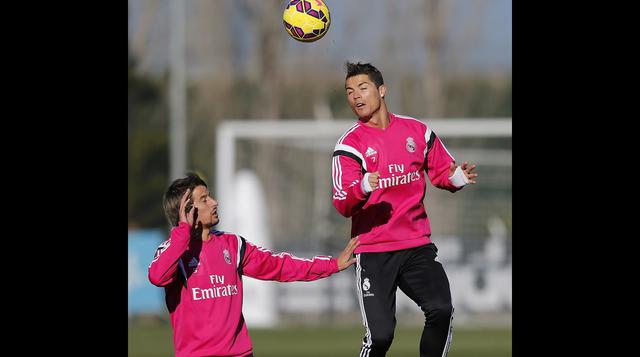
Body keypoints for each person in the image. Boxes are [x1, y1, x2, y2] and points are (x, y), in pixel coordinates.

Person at [331, 62, 478, 357]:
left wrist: (456, 178)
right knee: (381, 337)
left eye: (362, 88)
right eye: (349, 92)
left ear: (382, 90)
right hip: (373, 251)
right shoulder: (349, 146)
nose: (355, 97)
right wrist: (362, 187)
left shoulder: (418, 132)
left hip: (416, 246)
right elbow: (342, 203)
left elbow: (441, 172)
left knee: (441, 309)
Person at [149, 172, 360, 357]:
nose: (214, 202)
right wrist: (182, 233)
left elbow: (279, 266)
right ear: (187, 211)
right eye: (204, 199)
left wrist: (332, 265)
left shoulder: (233, 245)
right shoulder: (173, 250)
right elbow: (157, 277)